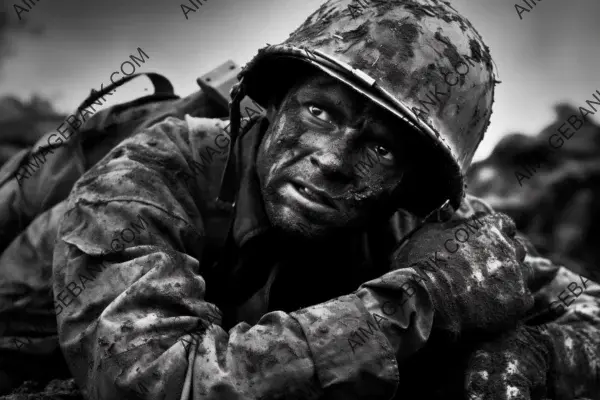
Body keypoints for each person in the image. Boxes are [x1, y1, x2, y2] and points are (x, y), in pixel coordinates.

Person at [43, 0, 600, 399]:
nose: (333, 160)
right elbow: (147, 379)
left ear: (415, 182)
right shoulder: (155, 172)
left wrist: (540, 356)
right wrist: (416, 304)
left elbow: (587, 309)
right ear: (275, 103)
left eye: (381, 147)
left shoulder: (416, 217)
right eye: (319, 112)